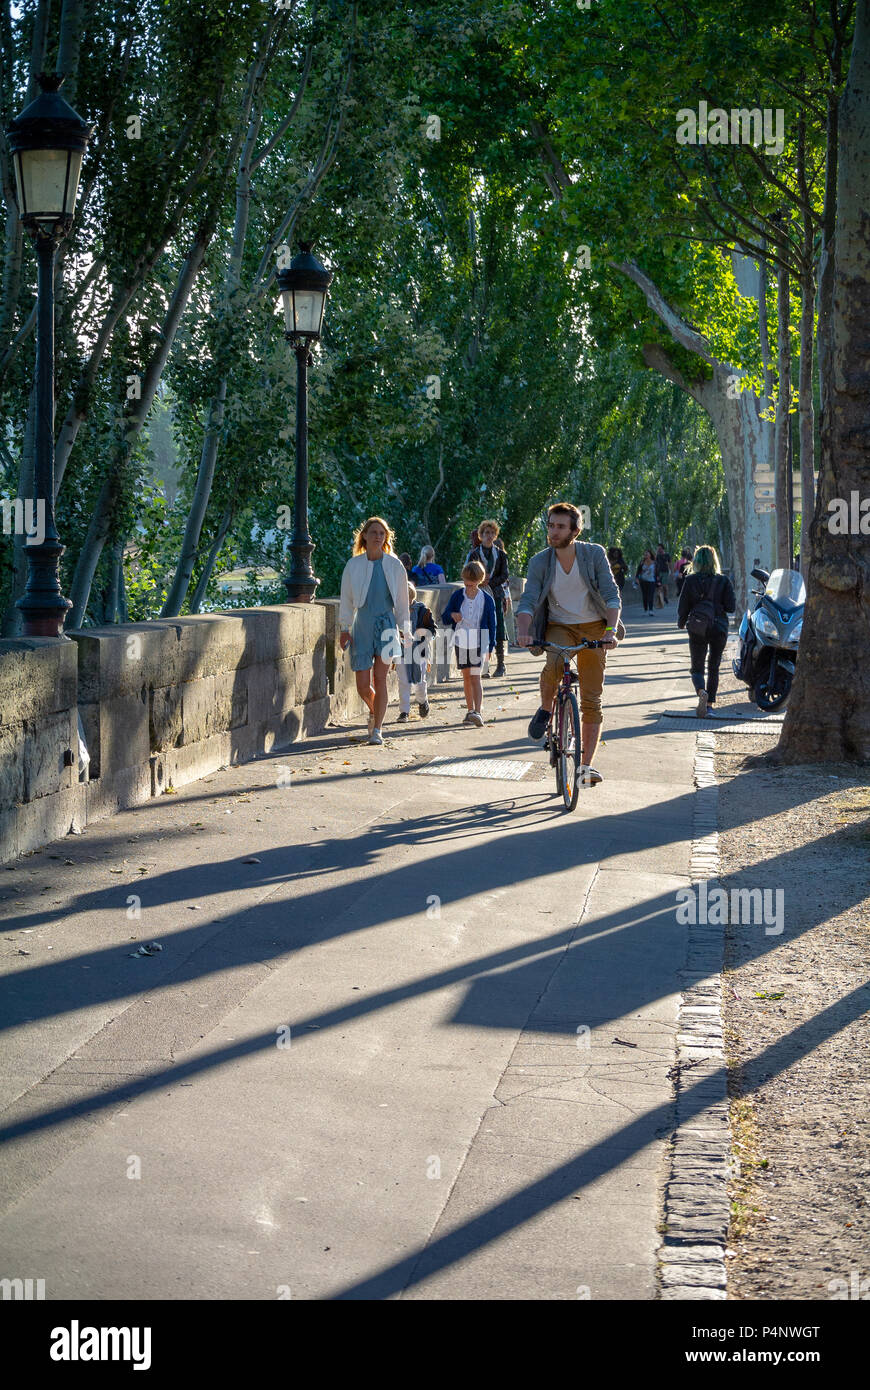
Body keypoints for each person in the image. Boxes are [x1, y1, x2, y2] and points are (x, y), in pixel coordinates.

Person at [515, 502, 621, 786]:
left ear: (575, 530)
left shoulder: (593, 554)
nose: (553, 531)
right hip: (559, 626)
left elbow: (611, 596)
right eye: (550, 525)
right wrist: (524, 630)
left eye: (560, 526)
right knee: (553, 663)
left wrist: (610, 631)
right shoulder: (540, 561)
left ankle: (585, 767)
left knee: (591, 699)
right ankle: (547, 708)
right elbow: (529, 599)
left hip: (594, 627)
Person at [338, 516, 411, 746]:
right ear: (365, 537)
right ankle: (374, 710)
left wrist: (405, 630)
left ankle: (378, 729)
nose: (378, 536)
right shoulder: (354, 565)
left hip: (387, 624)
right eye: (374, 532)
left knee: (380, 678)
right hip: (362, 625)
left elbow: (401, 603)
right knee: (362, 684)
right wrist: (344, 628)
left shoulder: (394, 565)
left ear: (386, 538)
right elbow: (346, 599)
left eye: (382, 533)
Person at [677, 544, 736, 717]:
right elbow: (731, 607)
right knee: (714, 666)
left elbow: (683, 605)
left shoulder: (690, 580)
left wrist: (681, 621)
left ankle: (701, 692)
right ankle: (709, 706)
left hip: (697, 627)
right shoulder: (723, 580)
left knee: (697, 667)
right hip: (718, 627)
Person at [440, 560, 497, 727]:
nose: (469, 587)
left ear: (479, 581)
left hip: (479, 641)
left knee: (476, 676)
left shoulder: (486, 599)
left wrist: (490, 647)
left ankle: (478, 712)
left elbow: (492, 624)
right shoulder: (458, 596)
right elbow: (444, 616)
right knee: (466, 677)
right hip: (461, 640)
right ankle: (470, 710)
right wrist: (453, 615)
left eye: (472, 585)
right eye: (466, 584)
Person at [466, 518, 511, 677]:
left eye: (492, 533)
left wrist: (490, 582)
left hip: (496, 594)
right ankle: (484, 666)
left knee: (497, 628)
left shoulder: (501, 554)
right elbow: (468, 572)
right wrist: (479, 581)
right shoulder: (474, 554)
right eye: (486, 533)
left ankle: (501, 665)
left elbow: (505, 574)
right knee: (480, 628)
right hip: (477, 594)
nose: (489, 536)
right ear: (481, 535)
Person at [396, 582, 434, 721]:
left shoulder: (423, 610)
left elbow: (432, 630)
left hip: (420, 652)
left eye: (408, 598)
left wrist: (422, 633)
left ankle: (423, 701)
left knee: (420, 682)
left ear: (412, 597)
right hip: (401, 651)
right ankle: (404, 711)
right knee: (404, 682)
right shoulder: (396, 612)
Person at [635, 549, 657, 614]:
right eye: (645, 554)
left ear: (650, 555)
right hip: (643, 581)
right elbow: (638, 572)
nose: (646, 555)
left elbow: (657, 572)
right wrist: (637, 579)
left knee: (651, 595)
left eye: (647, 554)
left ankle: (651, 610)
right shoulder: (642, 563)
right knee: (645, 595)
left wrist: (659, 581)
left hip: (652, 581)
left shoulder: (654, 563)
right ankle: (645, 609)